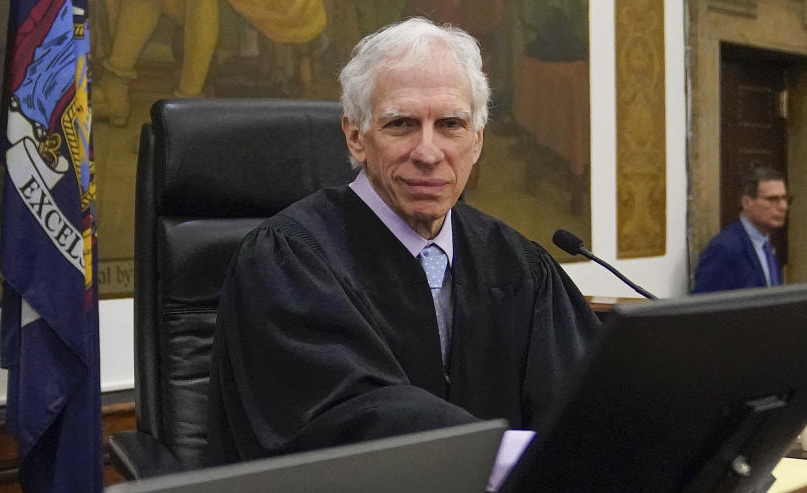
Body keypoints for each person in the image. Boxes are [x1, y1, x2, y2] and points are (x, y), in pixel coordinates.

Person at [207, 17, 600, 463]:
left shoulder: (518, 265)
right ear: (356, 136)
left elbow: (583, 406)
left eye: (451, 124)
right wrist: (510, 456)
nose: (428, 153)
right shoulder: (287, 260)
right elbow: (346, 421)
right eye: (401, 124)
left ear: (477, 141)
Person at [692, 166, 789, 293]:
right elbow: (704, 306)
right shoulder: (724, 249)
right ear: (747, 202)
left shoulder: (766, 244)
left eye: (784, 198)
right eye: (772, 199)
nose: (783, 206)